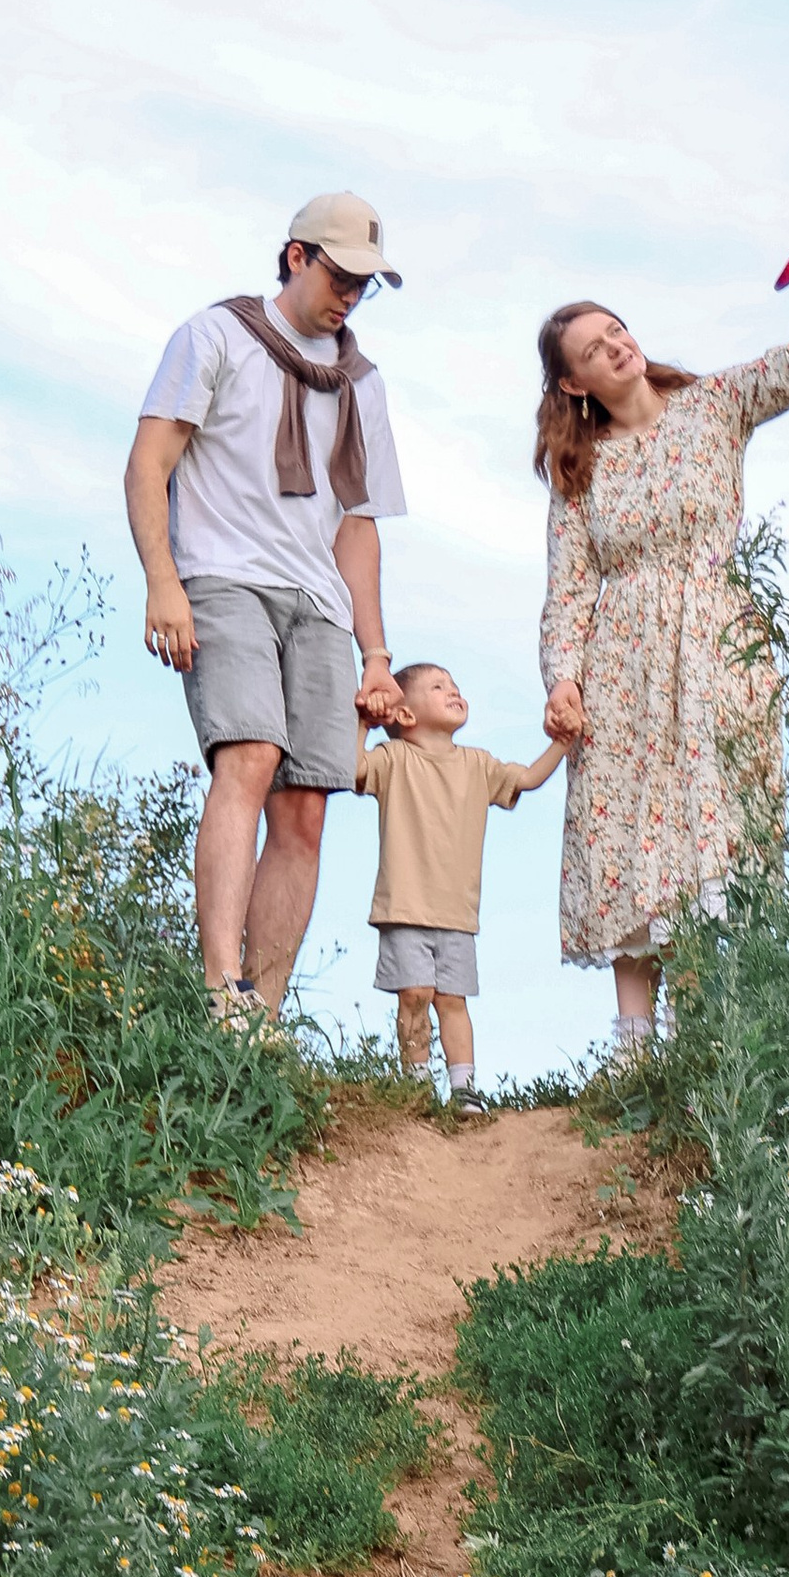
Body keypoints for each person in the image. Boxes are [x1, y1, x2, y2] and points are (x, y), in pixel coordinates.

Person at [535, 188, 789, 1047]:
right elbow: (568, 587)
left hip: (715, 644)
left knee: (708, 837)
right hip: (622, 662)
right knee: (623, 835)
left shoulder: (714, 405)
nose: (617, 345)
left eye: (617, 330)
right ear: (573, 382)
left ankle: (702, 1052)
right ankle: (634, 1055)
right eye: (594, 348)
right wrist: (563, 679)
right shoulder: (580, 468)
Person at [126, 192, 410, 1012]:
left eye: (365, 284)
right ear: (296, 257)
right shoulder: (216, 335)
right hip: (223, 576)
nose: (351, 295)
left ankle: (264, 1021)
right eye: (340, 275)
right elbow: (148, 464)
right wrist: (162, 581)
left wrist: (376, 654)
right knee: (248, 756)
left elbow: (357, 526)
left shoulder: (362, 384)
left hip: (318, 603)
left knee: (306, 807)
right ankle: (223, 990)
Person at [353, 663, 566, 1115]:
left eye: (454, 685)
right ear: (405, 715)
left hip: (457, 913)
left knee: (453, 1001)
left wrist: (561, 744)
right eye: (438, 686)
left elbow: (527, 779)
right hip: (404, 907)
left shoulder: (478, 763)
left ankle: (463, 1087)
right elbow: (352, 769)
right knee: (414, 995)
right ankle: (415, 1085)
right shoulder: (393, 759)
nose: (454, 691)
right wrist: (363, 724)